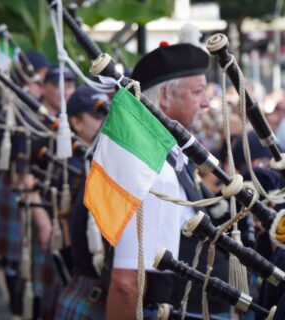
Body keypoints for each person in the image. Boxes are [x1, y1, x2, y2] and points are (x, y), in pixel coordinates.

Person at [106, 40, 231, 319]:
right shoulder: (149, 166)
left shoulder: (168, 157)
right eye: (198, 91)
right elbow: (127, 283)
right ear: (164, 95)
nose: (206, 102)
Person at [54, 85, 109, 320]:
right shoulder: (76, 163)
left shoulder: (100, 160)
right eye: (97, 115)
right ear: (76, 123)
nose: (105, 120)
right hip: (88, 282)